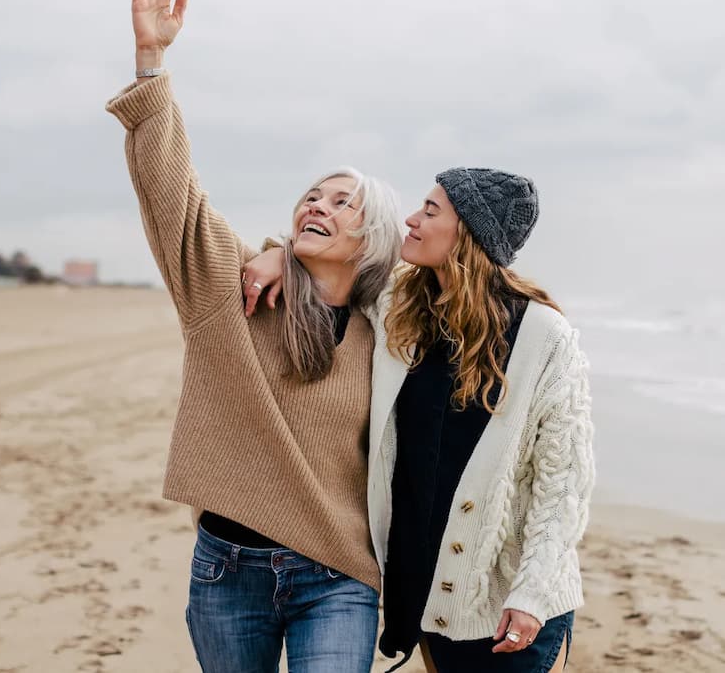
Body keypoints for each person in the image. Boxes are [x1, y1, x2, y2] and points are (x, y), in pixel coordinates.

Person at [105, 0, 404, 673]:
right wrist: (150, 60)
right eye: (312, 195)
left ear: (375, 241)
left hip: (336, 577)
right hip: (225, 573)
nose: (317, 204)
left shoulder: (391, 333)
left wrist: (284, 249)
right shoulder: (233, 290)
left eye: (342, 202)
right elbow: (172, 190)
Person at [246, 169, 595, 672]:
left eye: (430, 212)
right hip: (425, 593)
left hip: (511, 604)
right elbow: (335, 264)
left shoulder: (544, 335)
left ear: (469, 234)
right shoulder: (398, 305)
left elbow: (564, 484)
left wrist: (533, 595)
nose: (411, 219)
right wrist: (279, 252)